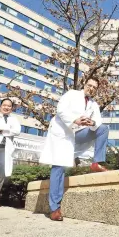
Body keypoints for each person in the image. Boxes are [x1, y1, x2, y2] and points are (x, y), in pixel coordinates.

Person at [39, 77, 109, 221]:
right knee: (59, 167)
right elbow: (60, 110)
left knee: (103, 129)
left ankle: (97, 162)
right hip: (63, 133)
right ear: (84, 85)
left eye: (94, 87)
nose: (91, 88)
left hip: (78, 135)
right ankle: (55, 208)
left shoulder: (93, 104)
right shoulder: (71, 94)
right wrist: (75, 120)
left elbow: (98, 122)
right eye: (89, 85)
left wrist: (92, 122)